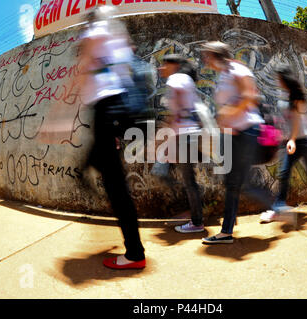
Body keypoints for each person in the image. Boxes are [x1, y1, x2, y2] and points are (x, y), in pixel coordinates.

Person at [77, 6, 146, 269]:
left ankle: (135, 254)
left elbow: (83, 75)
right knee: (106, 170)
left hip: (106, 110)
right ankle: (88, 168)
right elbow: (125, 73)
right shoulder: (119, 40)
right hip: (117, 110)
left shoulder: (94, 33)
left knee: (117, 189)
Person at [199, 41, 274, 244]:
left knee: (238, 184)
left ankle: (277, 207)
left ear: (217, 55)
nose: (205, 60)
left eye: (207, 55)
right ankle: (228, 230)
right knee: (234, 183)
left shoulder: (237, 69)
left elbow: (250, 95)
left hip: (247, 131)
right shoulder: (224, 74)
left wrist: (227, 113)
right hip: (233, 134)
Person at [260, 66, 307, 223]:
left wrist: (292, 139)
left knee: (288, 173)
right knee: (298, 173)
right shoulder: (287, 94)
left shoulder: (295, 96)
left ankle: (279, 208)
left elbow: (296, 121)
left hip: (301, 140)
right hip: (297, 139)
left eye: (279, 78)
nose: (277, 81)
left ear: (285, 79)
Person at [158, 54, 205, 233]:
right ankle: (192, 212)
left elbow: (174, 112)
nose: (160, 68)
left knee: (186, 179)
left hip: (183, 136)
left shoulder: (175, 79)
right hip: (190, 134)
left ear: (174, 65)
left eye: (164, 64)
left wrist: (161, 136)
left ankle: (197, 220)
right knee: (167, 170)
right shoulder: (188, 80)